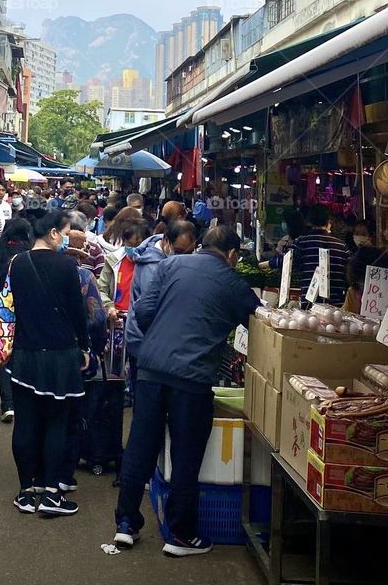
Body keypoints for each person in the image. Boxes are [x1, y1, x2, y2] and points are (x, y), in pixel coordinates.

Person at [113, 227, 259, 556]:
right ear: (232, 255)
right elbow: (259, 321)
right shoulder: (233, 281)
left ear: (201, 245)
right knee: (186, 453)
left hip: (151, 368)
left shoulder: (170, 265)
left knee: (141, 445)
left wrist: (165, 335)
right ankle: (180, 534)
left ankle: (126, 523)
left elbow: (144, 311)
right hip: (191, 378)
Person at [8, 210, 89, 517]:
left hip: (25, 354)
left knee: (26, 423)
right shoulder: (67, 265)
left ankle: (26, 492)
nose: (67, 237)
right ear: (54, 233)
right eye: (65, 232)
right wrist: (85, 347)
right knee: (57, 422)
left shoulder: (18, 264)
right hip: (60, 356)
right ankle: (53, 493)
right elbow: (78, 313)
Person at [0, 218, 34, 423]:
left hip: (2, 311)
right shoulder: (30, 254)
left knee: (3, 354)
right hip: (26, 310)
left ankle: (8, 403)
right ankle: (24, 399)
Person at [293, 205, 349, 306]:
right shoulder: (341, 246)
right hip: (336, 305)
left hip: (309, 304)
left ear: (308, 221)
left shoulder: (301, 242)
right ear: (329, 221)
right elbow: (348, 273)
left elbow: (290, 264)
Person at [99, 218, 150, 326]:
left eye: (136, 245)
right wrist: (109, 306)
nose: (132, 249)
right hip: (117, 320)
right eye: (129, 244)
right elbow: (101, 289)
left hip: (141, 323)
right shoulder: (113, 261)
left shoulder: (152, 266)